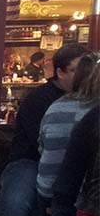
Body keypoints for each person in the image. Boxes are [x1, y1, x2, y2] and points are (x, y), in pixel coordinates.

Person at [0, 42, 88, 216]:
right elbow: (40, 145)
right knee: (17, 206)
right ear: (59, 72)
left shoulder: (89, 102)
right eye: (78, 70)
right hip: (29, 161)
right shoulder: (39, 99)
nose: (84, 76)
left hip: (71, 168)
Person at [37, 52, 99, 203]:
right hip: (83, 201)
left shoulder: (56, 107)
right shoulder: (93, 112)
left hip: (49, 191)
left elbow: (42, 147)